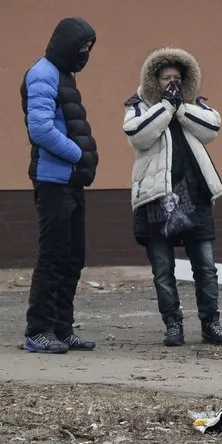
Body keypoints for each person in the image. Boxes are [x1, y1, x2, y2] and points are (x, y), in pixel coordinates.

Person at [122, 47, 222, 347]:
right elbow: (138, 135)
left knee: (206, 267)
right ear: (153, 80)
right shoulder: (139, 106)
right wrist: (165, 107)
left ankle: (211, 324)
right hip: (156, 198)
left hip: (194, 196)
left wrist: (180, 106)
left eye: (176, 78)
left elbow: (212, 127)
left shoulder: (192, 105)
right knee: (162, 270)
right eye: (165, 78)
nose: (171, 83)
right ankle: (173, 325)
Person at [20, 17, 99, 354]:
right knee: (53, 257)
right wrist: (77, 154)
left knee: (72, 256)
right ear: (67, 45)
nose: (84, 55)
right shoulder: (42, 74)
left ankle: (62, 329)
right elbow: (40, 129)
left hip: (71, 181)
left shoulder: (63, 75)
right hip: (53, 181)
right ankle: (38, 331)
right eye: (81, 48)